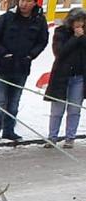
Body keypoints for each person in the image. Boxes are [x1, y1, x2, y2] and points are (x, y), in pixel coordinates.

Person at [0, 0, 49, 142]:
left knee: (14, 101)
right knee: (0, 100)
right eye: (22, 0)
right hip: (3, 67)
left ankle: (9, 131)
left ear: (35, 3)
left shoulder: (39, 20)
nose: (23, 4)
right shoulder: (7, 17)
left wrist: (31, 55)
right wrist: (3, 53)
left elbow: (42, 41)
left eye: (28, 1)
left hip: (22, 67)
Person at [46, 7, 86, 147]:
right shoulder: (61, 32)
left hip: (79, 77)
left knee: (74, 109)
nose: (79, 24)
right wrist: (75, 38)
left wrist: (82, 38)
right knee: (57, 109)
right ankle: (52, 137)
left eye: (82, 21)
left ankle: (70, 137)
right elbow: (60, 52)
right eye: (76, 21)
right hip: (61, 76)